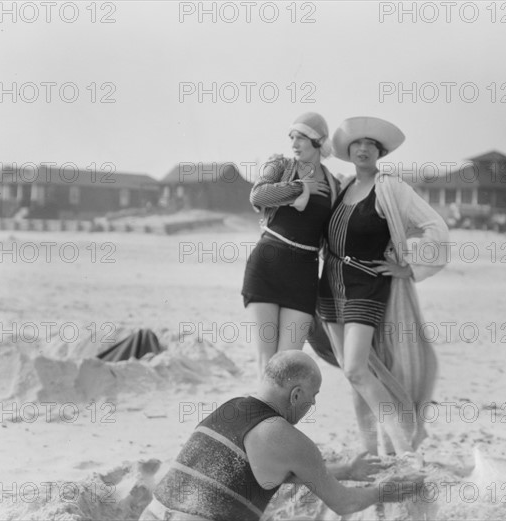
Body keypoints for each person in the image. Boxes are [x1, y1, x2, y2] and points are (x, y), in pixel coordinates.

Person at [138, 351, 425, 521]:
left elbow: (267, 472)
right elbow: (344, 503)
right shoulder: (288, 438)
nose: (312, 405)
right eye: (313, 397)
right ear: (296, 394)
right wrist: (388, 490)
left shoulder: (230, 408)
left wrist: (346, 470)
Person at [313, 116, 449, 458]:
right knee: (355, 377)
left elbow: (435, 228)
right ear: (348, 150)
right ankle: (370, 450)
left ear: (380, 152)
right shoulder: (342, 186)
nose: (362, 149)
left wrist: (409, 269)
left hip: (367, 285)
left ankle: (402, 447)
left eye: (370, 145)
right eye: (356, 144)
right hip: (330, 287)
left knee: (357, 368)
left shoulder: (390, 187)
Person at [242, 113, 340, 375]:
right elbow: (257, 195)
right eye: (292, 137)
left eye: (301, 138)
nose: (294, 144)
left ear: (318, 141)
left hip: (304, 274)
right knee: (267, 364)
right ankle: (266, 417)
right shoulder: (278, 164)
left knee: (287, 365)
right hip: (267, 265)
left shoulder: (335, 184)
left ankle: (276, 416)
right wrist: (299, 188)